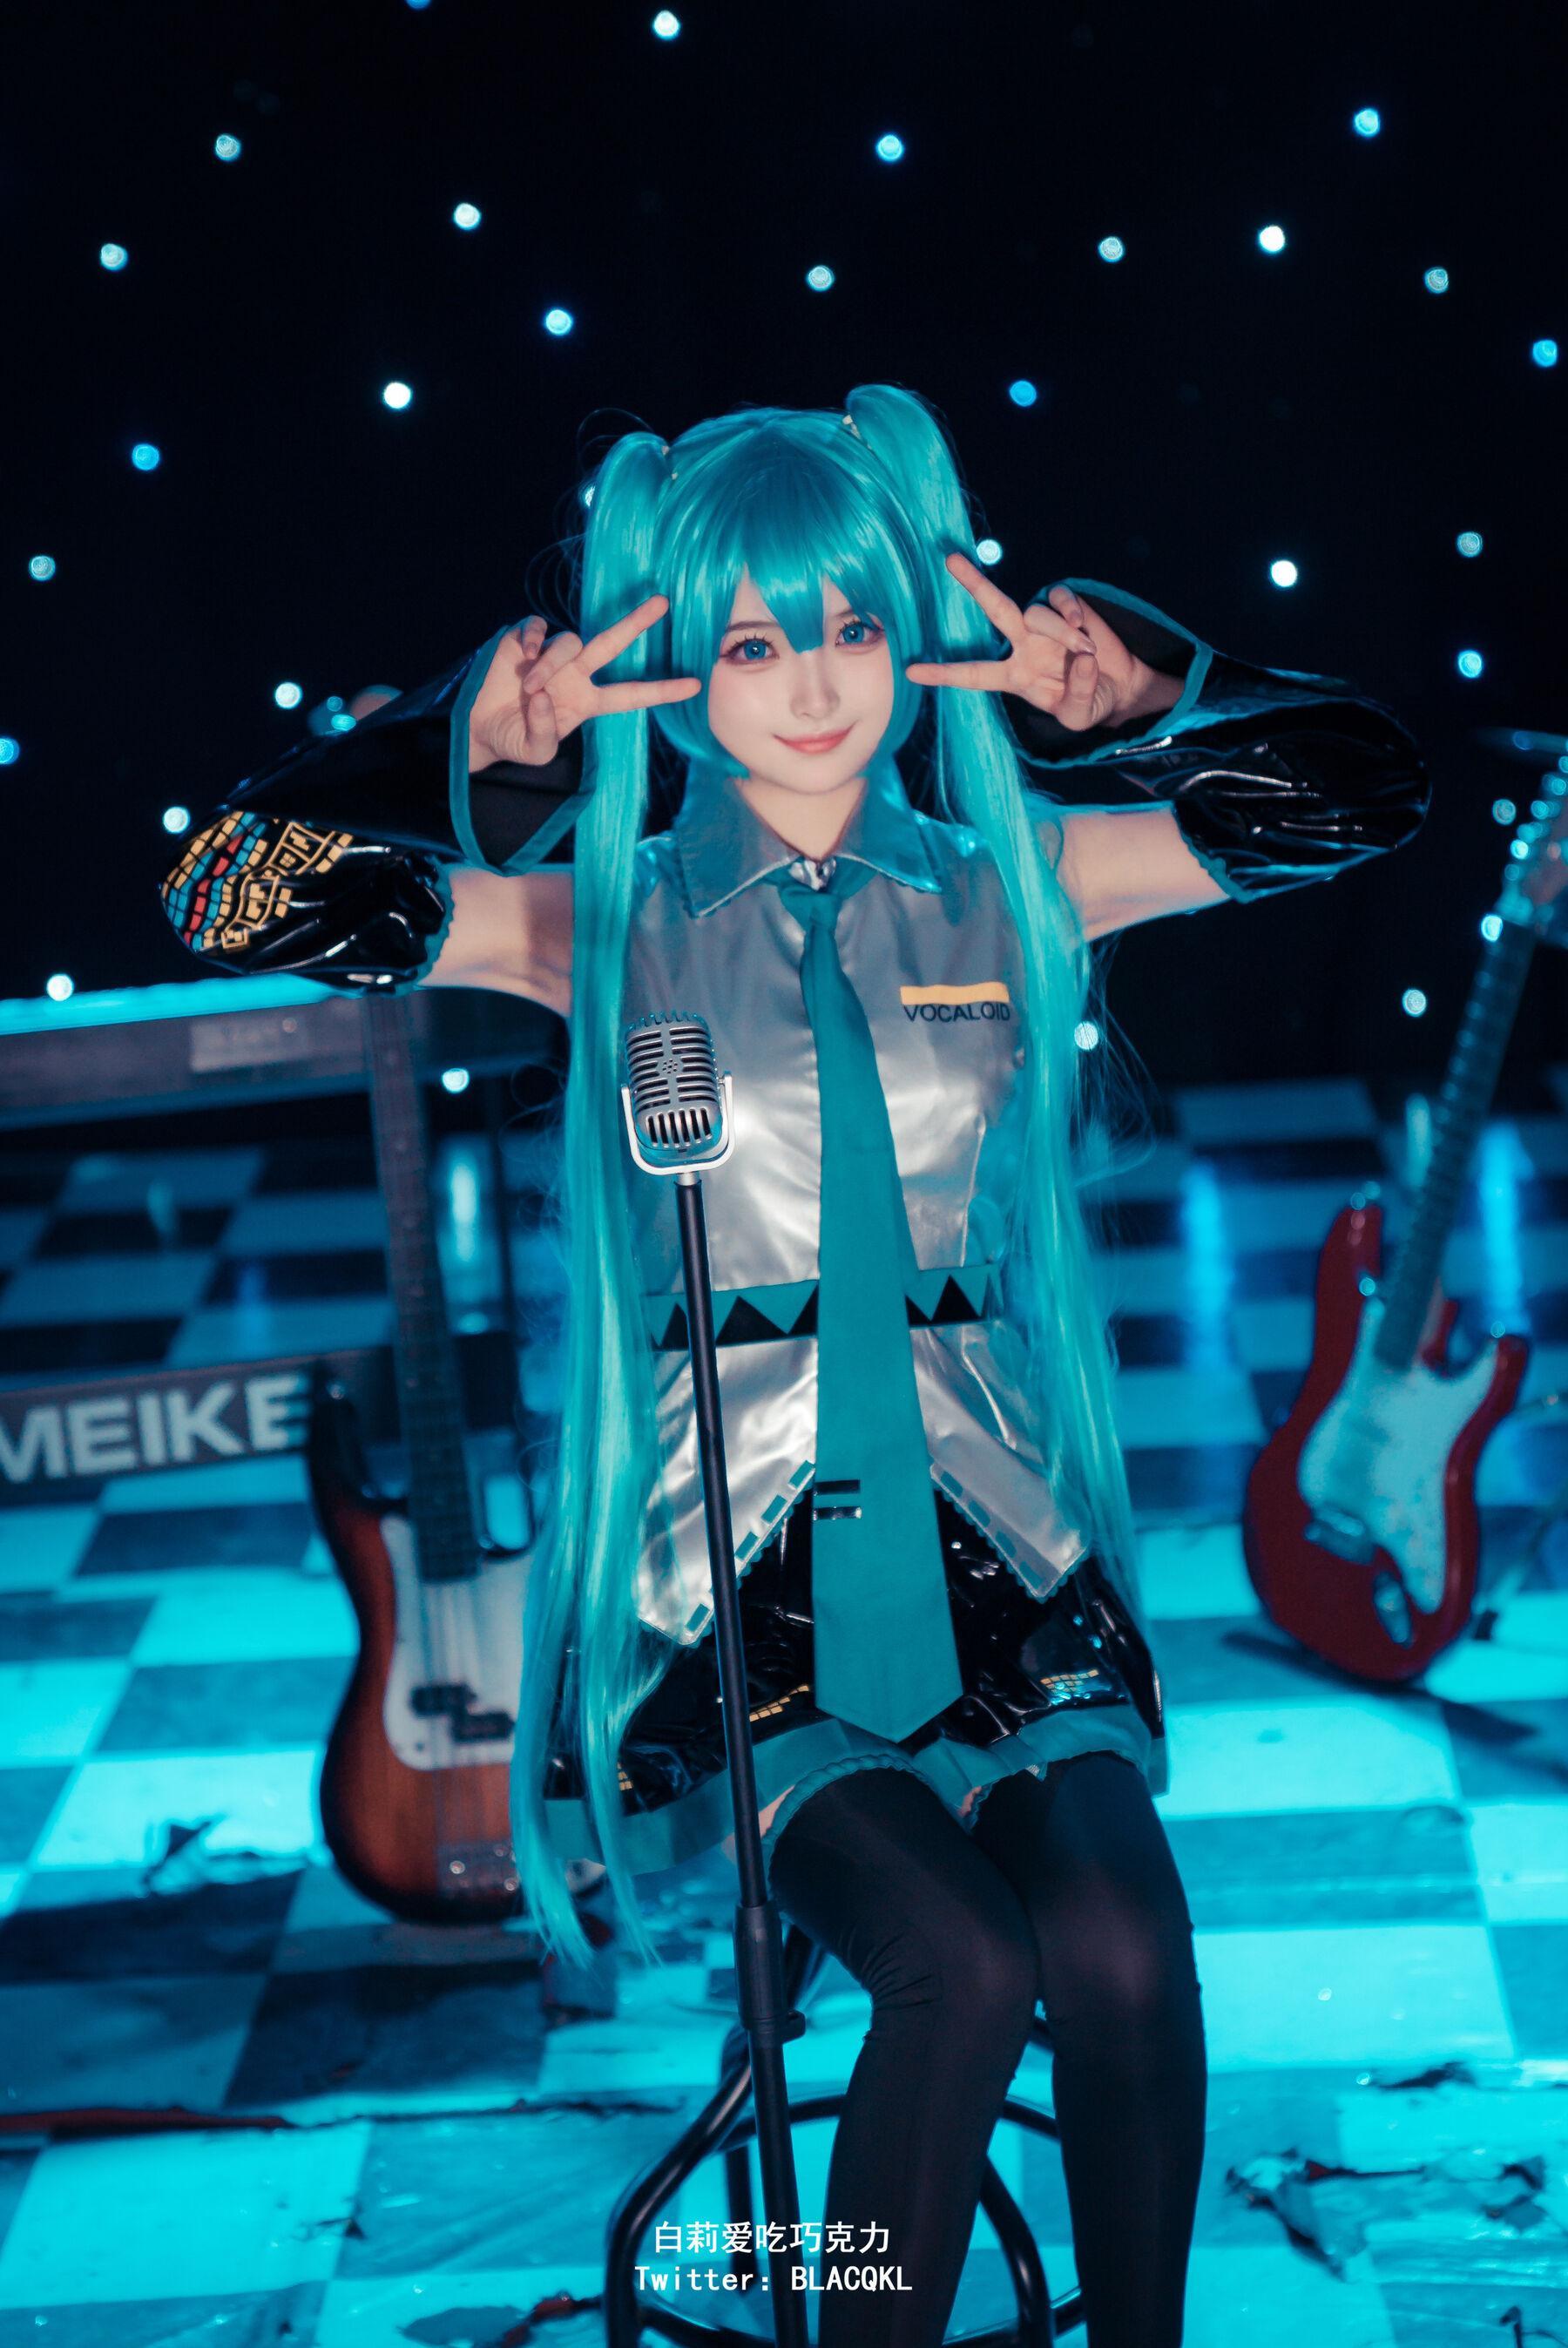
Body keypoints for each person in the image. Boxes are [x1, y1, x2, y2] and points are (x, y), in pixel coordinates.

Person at [159, 385, 1428, 2345]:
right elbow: (224, 892)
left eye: (851, 626)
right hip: (732, 1589)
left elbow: (1368, 791)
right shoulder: (593, 922)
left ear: (913, 633)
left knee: (1119, 1944)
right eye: (753, 643)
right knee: (961, 1965)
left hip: (1002, 1559)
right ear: (676, 668)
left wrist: (1139, 689)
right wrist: (458, 738)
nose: (817, 685)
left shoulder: (1018, 878)